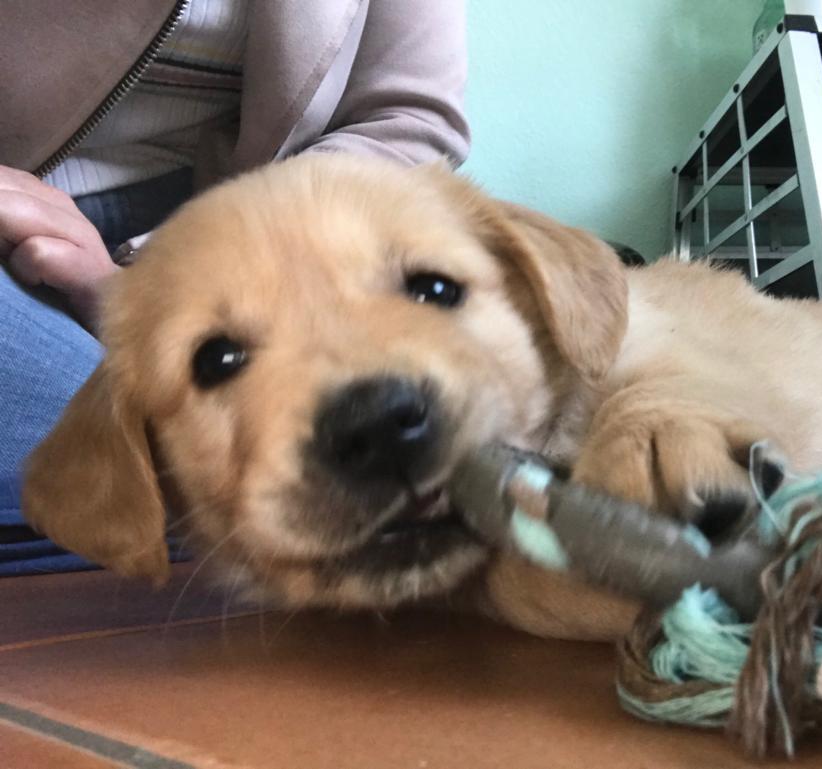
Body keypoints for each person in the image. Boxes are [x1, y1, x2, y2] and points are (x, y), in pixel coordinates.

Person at [0, 0, 471, 575]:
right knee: (157, 503)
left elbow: (408, 120)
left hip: (265, 239)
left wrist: (158, 283)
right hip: (12, 222)